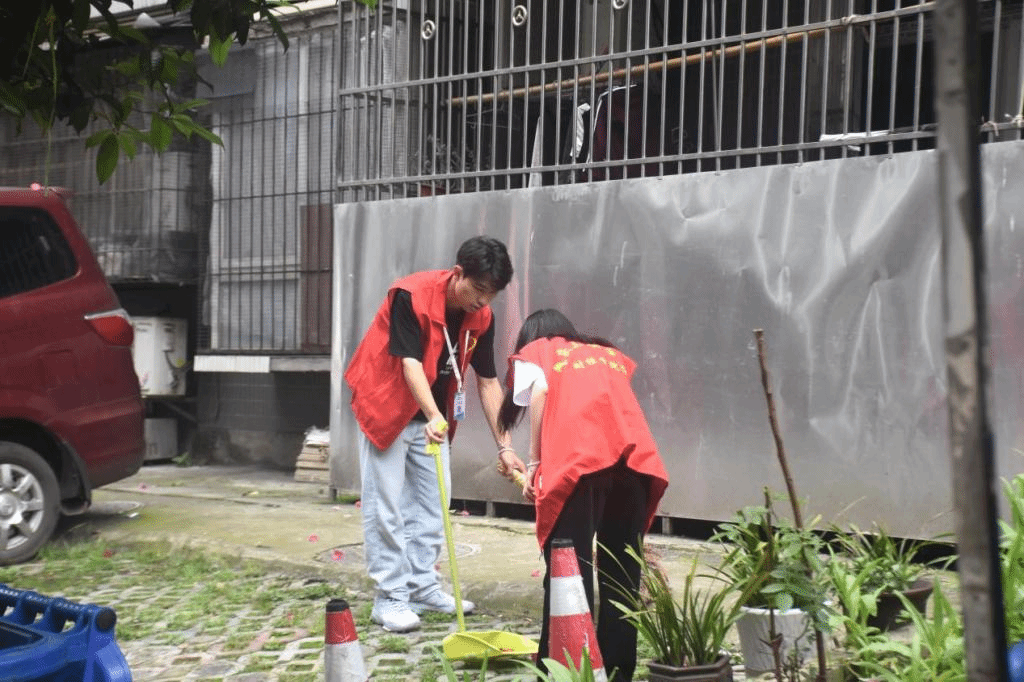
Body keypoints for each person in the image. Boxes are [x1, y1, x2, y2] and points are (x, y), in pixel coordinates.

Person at [344, 236, 526, 633]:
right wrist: (431, 414)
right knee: (386, 506)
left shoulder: (482, 317)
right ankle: (390, 596)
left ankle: (422, 587)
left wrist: (505, 446)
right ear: (458, 273)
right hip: (387, 407)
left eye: (492, 294)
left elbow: (488, 382)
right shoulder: (410, 295)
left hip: (433, 419)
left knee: (433, 504)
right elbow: (409, 363)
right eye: (478, 289)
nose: (483, 301)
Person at [496, 309, 669, 681]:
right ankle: (618, 671)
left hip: (582, 465)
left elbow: (540, 392)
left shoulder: (537, 350)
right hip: (634, 464)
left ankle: (565, 671)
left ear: (530, 338)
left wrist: (535, 462)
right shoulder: (605, 353)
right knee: (621, 573)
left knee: (568, 570)